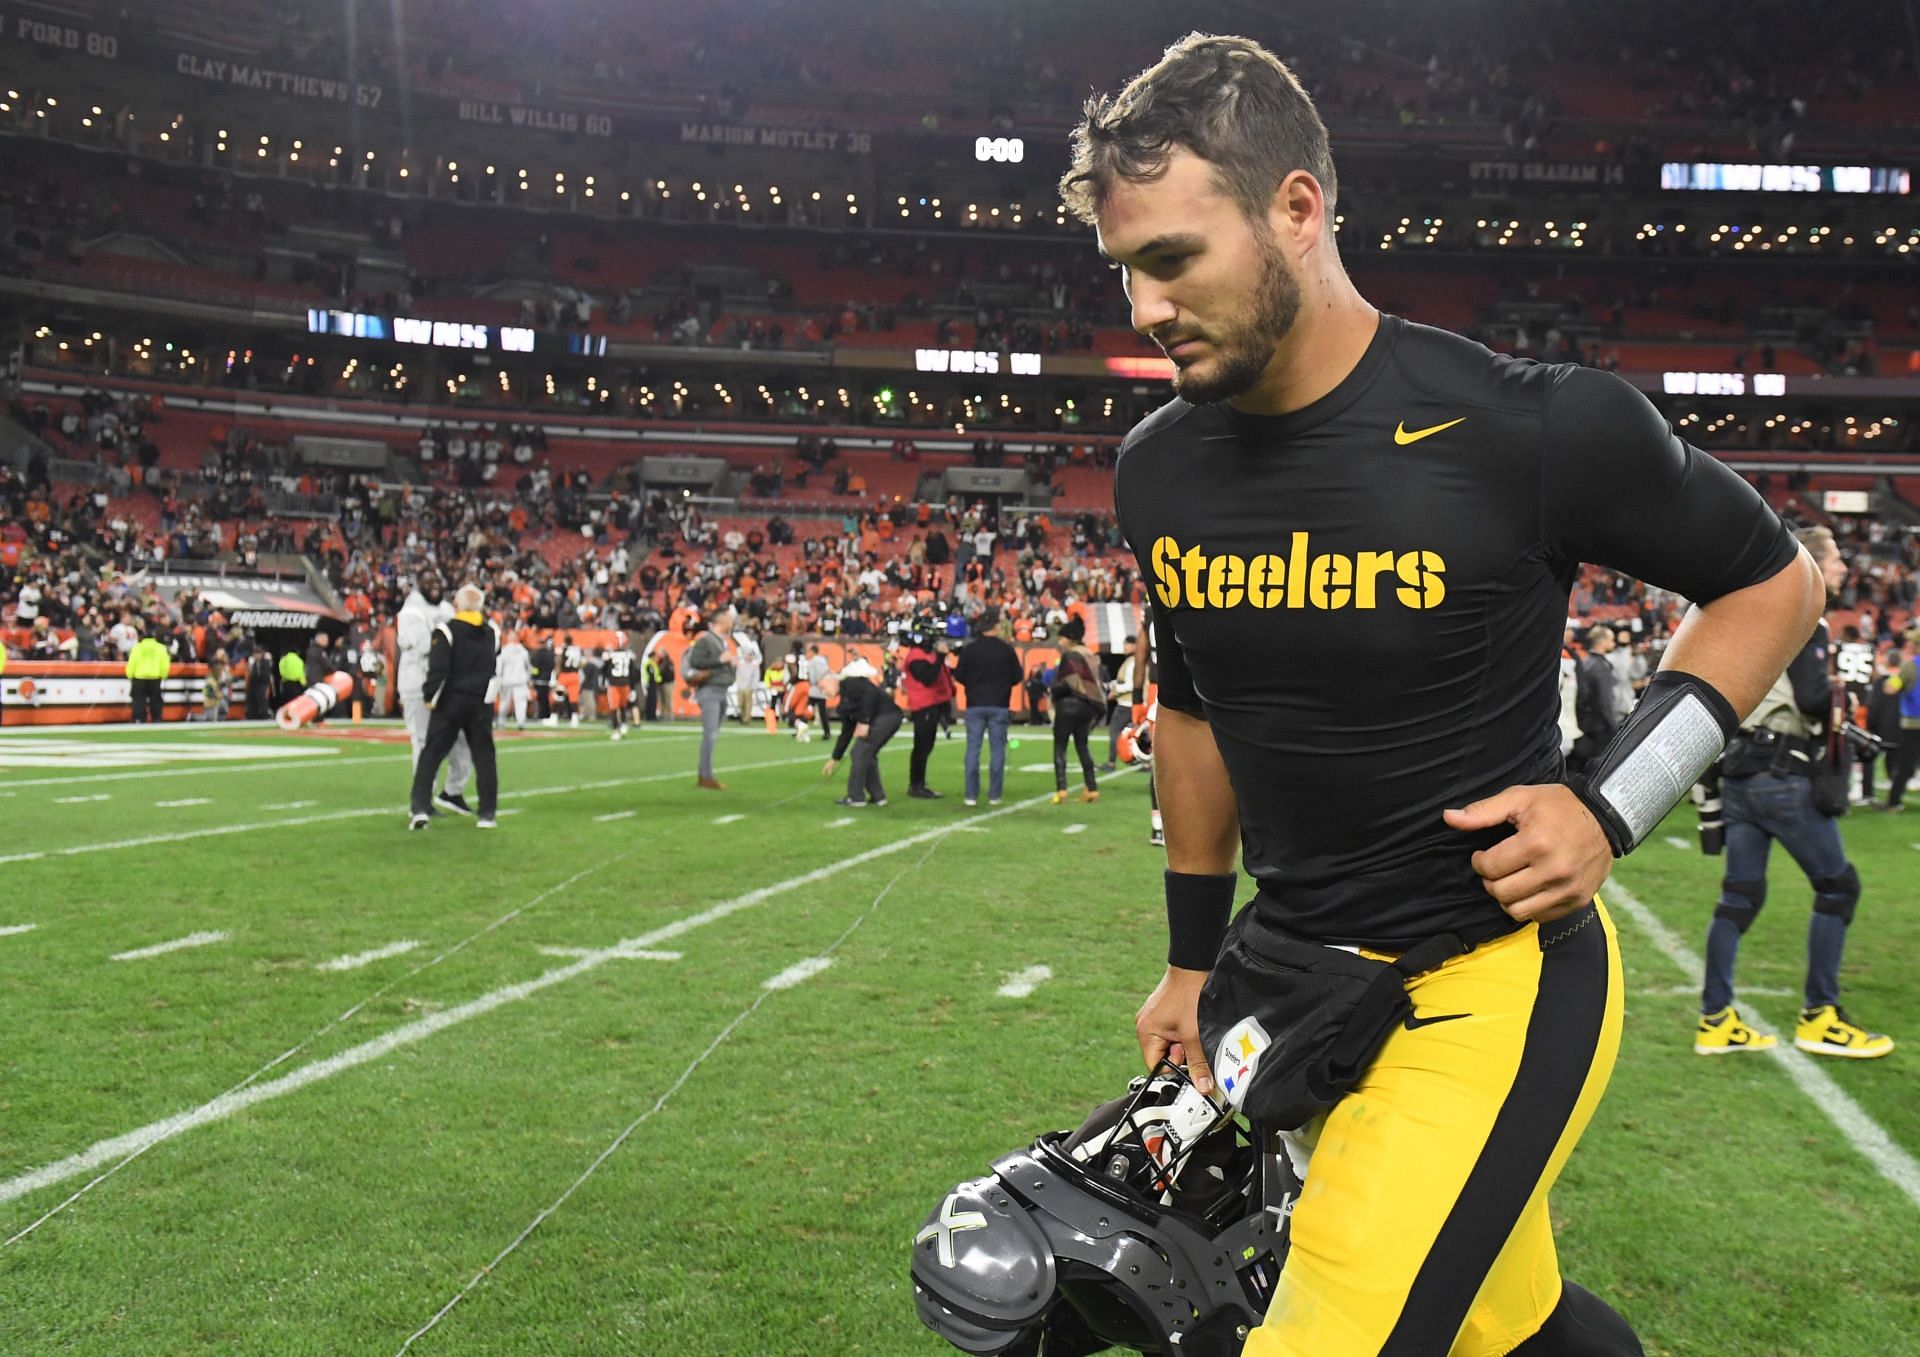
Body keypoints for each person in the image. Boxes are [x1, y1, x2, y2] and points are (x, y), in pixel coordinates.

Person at [1072, 33, 1822, 1356]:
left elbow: (1774, 586)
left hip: (1491, 978)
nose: (1145, 309)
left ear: (1297, 209)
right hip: (1289, 987)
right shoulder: (1157, 470)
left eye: (1175, 260)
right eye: (1127, 270)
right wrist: (1190, 959)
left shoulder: (1528, 427)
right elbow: (1189, 716)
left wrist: (1612, 805)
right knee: (1508, 1328)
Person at [1697, 527, 1893, 1059]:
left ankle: (1715, 1018)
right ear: (1812, 562)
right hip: (1782, 774)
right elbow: (1810, 699)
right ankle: (1820, 1017)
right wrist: (1842, 695)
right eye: (1835, 561)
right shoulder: (1805, 612)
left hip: (1739, 771)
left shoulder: (1750, 611)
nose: (1843, 571)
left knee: (1740, 897)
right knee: (1838, 889)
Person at [408, 584, 501, 831]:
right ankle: (487, 814)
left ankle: (419, 808)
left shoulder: (446, 631)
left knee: (431, 756)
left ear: (457, 605)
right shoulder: (492, 631)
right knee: (484, 758)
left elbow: (439, 669)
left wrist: (430, 698)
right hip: (481, 701)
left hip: (451, 701)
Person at [398, 571, 475, 816]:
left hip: (448, 684)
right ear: (419, 585)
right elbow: (424, 646)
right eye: (429, 582)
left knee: (462, 739)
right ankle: (422, 799)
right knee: (424, 742)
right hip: (419, 683)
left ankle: (453, 791)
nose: (434, 586)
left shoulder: (447, 609)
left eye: (438, 582)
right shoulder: (410, 611)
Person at [954, 610, 1023, 806]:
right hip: (999, 703)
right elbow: (1017, 676)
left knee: (973, 750)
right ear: (996, 627)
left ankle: (970, 795)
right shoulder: (1006, 650)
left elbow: (959, 675)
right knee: (997, 750)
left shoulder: (970, 649)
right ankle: (994, 795)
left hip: (975, 703)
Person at [823, 657, 904, 807]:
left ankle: (856, 797)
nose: (824, 692)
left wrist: (865, 721)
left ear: (832, 681)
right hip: (888, 717)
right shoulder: (843, 705)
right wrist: (835, 758)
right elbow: (846, 733)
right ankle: (878, 796)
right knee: (867, 753)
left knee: (859, 751)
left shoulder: (849, 683)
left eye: (823, 688)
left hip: (887, 715)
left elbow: (870, 695)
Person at [1048, 615, 1105, 804]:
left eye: (1062, 637)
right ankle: (1092, 788)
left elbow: (1069, 683)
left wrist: (1051, 691)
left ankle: (1061, 789)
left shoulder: (1070, 655)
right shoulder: (1091, 655)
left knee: (1060, 747)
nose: (1060, 641)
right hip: (1088, 706)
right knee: (1083, 747)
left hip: (1068, 706)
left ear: (1069, 638)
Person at [683, 607, 736, 790]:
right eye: (729, 618)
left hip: (720, 690)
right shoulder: (706, 641)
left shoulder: (720, 641)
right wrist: (721, 661)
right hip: (710, 691)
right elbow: (696, 661)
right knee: (710, 735)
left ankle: (705, 774)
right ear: (721, 620)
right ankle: (705, 776)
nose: (732, 621)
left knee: (713, 734)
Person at [901, 628, 954, 798]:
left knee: (926, 746)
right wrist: (939, 657)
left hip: (930, 704)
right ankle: (916, 785)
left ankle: (918, 784)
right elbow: (928, 677)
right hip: (923, 704)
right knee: (922, 746)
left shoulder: (922, 655)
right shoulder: (916, 656)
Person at [1571, 625, 1619, 774]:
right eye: (1611, 640)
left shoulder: (1585, 662)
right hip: (1600, 727)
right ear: (1602, 641)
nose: (1613, 643)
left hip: (1586, 723)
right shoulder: (1601, 666)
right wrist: (1613, 726)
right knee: (1596, 770)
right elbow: (1604, 701)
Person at [125, 625, 171, 723]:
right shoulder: (161, 648)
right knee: (155, 701)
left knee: (138, 701)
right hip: (155, 676)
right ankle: (156, 718)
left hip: (139, 677)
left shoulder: (137, 647)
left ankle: (139, 719)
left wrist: (130, 674)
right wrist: (164, 675)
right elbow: (165, 663)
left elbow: (132, 662)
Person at [496, 631, 533, 729]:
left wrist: (498, 679)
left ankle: (501, 722)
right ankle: (521, 722)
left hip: (506, 680)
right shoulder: (523, 651)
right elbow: (528, 667)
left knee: (504, 702)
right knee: (521, 702)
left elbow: (499, 667)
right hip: (520, 680)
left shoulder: (504, 650)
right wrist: (529, 679)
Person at [604, 635, 636, 740]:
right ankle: (624, 725)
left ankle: (616, 730)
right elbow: (632, 671)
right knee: (622, 706)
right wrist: (632, 687)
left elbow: (605, 670)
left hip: (614, 684)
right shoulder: (628, 654)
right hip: (625, 683)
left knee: (614, 708)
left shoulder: (610, 654)